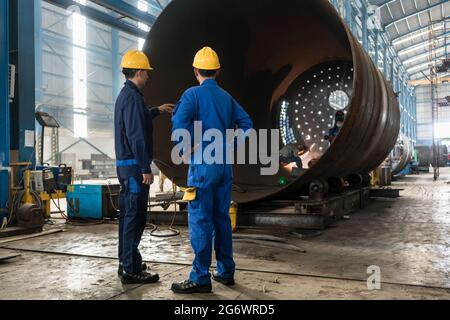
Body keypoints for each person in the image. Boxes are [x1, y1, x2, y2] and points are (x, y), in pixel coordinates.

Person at [171, 47, 253, 293]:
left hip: (202, 168)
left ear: (195, 70)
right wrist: (230, 145)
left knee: (200, 220)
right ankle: (226, 272)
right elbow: (247, 125)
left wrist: (186, 149)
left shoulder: (191, 95)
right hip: (224, 166)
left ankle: (200, 277)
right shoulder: (227, 98)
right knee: (222, 219)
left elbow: (179, 125)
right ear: (218, 71)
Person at [114, 50, 174, 284]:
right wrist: (145, 168)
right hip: (134, 169)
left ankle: (126, 261)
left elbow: (137, 121)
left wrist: (156, 110)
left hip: (127, 167)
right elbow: (137, 135)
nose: (148, 77)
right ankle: (131, 269)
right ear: (139, 72)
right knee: (134, 217)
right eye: (146, 73)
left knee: (128, 216)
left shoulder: (128, 96)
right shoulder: (132, 97)